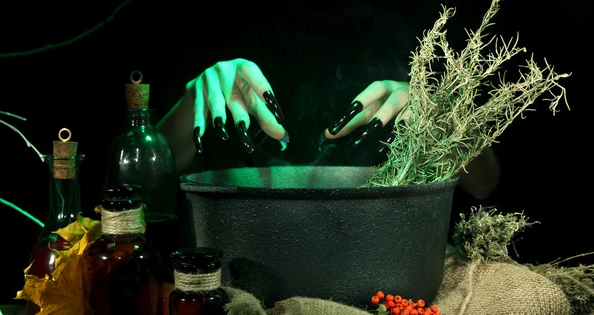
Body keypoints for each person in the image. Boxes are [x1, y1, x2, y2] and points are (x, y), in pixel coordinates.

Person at [157, 58, 500, 201]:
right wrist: (191, 105)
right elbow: (140, 189)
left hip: (381, 258)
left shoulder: (404, 20)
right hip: (241, 255)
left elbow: (485, 183)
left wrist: (445, 123)